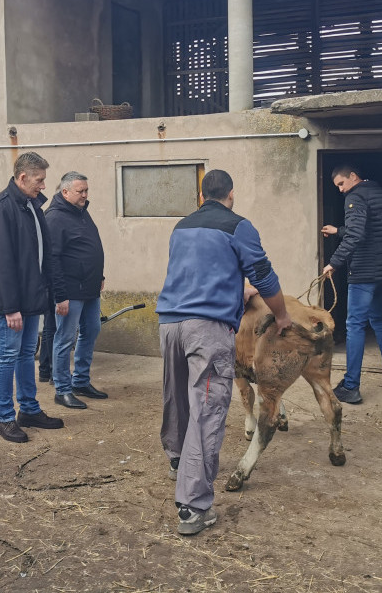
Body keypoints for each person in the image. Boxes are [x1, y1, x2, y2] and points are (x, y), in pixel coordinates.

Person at [157, 169, 292, 536]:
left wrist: (236, 290)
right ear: (231, 194)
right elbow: (263, 275)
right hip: (207, 329)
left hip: (170, 323)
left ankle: (177, 461)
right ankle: (193, 506)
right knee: (207, 409)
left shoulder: (182, 227)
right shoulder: (238, 226)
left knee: (177, 398)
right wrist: (281, 315)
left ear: (202, 196)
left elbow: (197, 274)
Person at [0, 151, 67, 443]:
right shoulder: (0, 208)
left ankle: (29, 409)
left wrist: (54, 294)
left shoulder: (32, 205)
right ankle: (4, 417)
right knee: (8, 355)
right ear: (22, 177)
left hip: (33, 298)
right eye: (39, 180)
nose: (43, 185)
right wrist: (10, 307)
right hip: (14, 303)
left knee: (26, 354)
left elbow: (44, 254)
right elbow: (1, 262)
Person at [321, 163, 382, 404]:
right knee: (379, 319)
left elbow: (357, 234)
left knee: (354, 325)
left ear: (353, 176)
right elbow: (371, 230)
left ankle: (351, 386)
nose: (340, 190)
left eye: (341, 183)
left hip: (366, 272)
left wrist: (334, 262)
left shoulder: (355, 197)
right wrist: (338, 230)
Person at [45, 171, 107, 410]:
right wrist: (60, 295)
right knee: (65, 338)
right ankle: (62, 389)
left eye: (86, 190)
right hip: (70, 290)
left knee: (91, 330)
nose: (85, 195)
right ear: (65, 192)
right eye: (80, 191)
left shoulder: (81, 212)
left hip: (89, 288)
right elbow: (52, 260)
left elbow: (89, 248)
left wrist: (99, 276)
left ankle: (80, 381)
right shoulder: (55, 218)